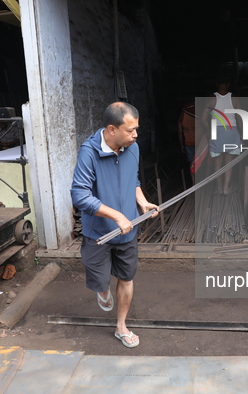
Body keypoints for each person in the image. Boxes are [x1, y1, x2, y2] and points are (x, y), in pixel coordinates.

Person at [70, 102, 159, 348]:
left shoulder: (133, 148)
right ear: (111, 130)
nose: (136, 135)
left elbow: (134, 179)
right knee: (99, 280)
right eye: (130, 130)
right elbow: (80, 195)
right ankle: (101, 290)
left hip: (128, 231)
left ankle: (121, 326)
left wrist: (142, 202)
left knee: (126, 278)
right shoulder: (89, 152)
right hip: (99, 232)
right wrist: (116, 216)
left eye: (136, 129)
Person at [201, 76, 242, 194]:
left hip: (216, 131)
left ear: (216, 83)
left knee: (217, 161)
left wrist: (208, 130)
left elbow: (203, 119)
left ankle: (218, 188)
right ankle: (225, 188)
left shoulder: (211, 98)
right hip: (231, 131)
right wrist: (242, 132)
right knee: (229, 160)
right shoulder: (234, 98)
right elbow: (239, 118)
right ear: (228, 84)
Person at [178, 101, 196, 184]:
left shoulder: (182, 115)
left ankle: (193, 182)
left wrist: (182, 145)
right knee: (202, 161)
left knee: (192, 163)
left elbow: (180, 132)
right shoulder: (200, 112)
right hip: (201, 142)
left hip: (188, 142)